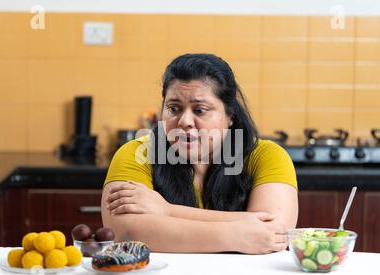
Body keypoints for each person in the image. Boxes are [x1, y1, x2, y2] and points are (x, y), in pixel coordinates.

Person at [101, 53, 298, 254]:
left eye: (200, 110)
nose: (185, 120)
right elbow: (126, 232)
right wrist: (236, 235)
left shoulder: (267, 155)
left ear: (230, 115)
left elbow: (273, 233)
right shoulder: (136, 153)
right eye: (173, 108)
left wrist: (167, 211)